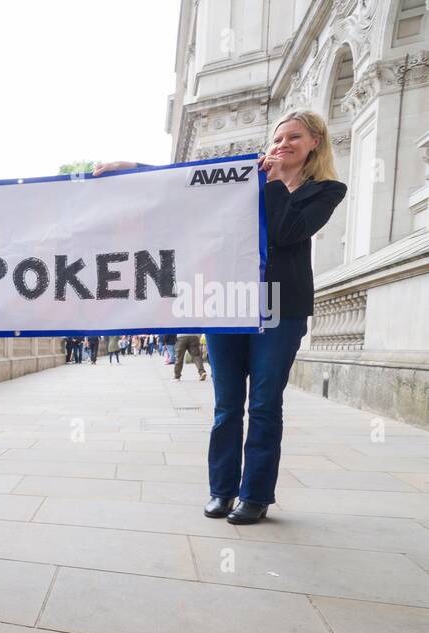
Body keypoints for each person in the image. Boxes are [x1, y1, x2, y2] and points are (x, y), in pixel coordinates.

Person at [95, 109, 346, 525]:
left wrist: (274, 184)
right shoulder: (245, 173)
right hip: (227, 300)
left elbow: (288, 234)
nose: (282, 145)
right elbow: (188, 185)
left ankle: (256, 495)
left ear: (315, 142)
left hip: (280, 307)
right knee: (227, 405)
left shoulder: (325, 190)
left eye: (294, 138)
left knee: (264, 405)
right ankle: (222, 490)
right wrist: (134, 170)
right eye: (278, 138)